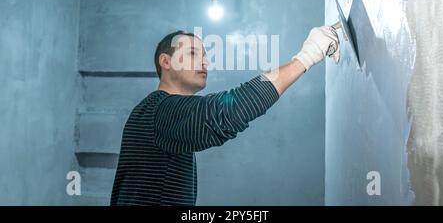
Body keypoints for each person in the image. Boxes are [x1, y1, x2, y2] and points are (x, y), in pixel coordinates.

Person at [110, 26, 340, 205]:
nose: (204, 61)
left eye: (204, 55)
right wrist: (307, 56)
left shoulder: (155, 112)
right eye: (192, 53)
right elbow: (226, 111)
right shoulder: (159, 110)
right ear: (166, 61)